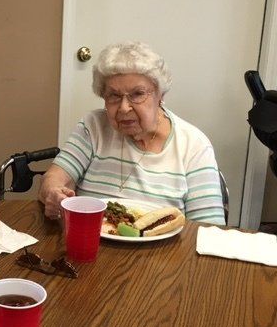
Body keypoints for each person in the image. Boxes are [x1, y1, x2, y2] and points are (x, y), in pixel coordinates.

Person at [39, 41, 225, 225]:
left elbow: (208, 228)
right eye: (114, 95)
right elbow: (53, 178)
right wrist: (53, 193)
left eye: (137, 94)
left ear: (160, 95)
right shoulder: (94, 126)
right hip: (92, 244)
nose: (124, 107)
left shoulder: (192, 144)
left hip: (162, 253)